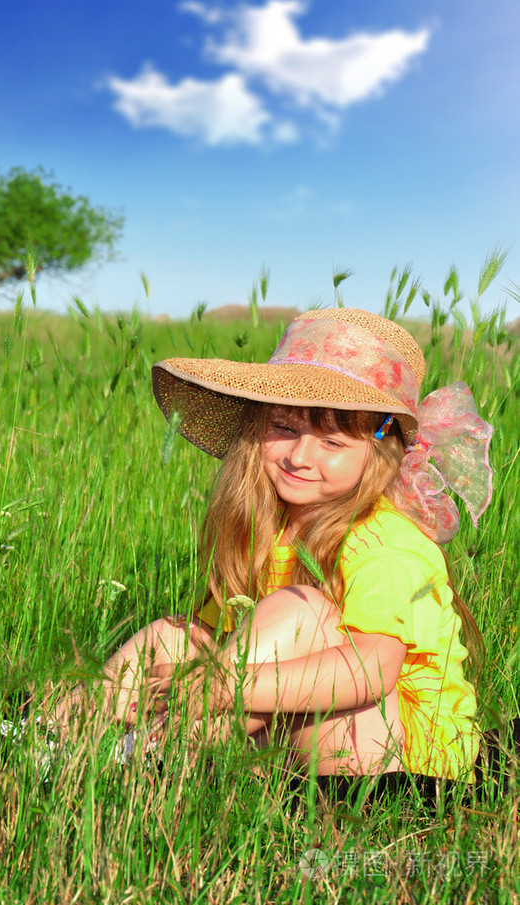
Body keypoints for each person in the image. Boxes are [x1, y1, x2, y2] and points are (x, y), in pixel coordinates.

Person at [98, 307, 494, 784]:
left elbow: (371, 669)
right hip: (292, 730)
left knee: (301, 608)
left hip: (393, 764)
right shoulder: (267, 526)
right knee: (173, 634)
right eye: (284, 428)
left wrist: (230, 686)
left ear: (378, 452)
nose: (300, 456)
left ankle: (150, 753)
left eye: (332, 442)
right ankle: (65, 730)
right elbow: (221, 642)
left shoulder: (387, 543)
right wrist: (207, 676)